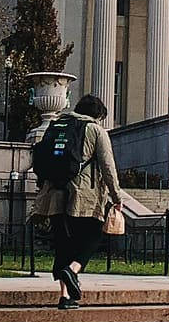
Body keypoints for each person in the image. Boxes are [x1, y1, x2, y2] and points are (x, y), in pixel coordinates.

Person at [31, 94, 123, 308]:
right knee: (93, 235)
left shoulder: (56, 126)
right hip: (82, 196)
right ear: (98, 114)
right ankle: (73, 269)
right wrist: (117, 197)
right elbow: (108, 168)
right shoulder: (96, 130)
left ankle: (65, 297)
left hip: (54, 193)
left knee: (62, 243)